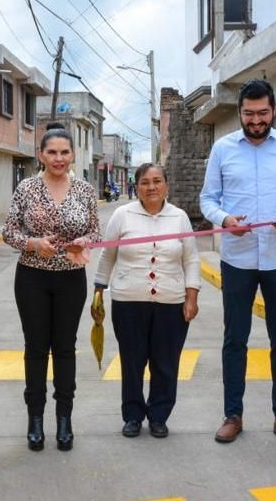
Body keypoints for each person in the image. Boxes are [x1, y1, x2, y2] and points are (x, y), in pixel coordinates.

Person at [199, 79, 276, 448]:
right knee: (235, 339)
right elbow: (207, 200)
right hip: (237, 258)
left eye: (262, 113)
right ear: (239, 113)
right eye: (248, 113)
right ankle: (232, 415)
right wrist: (225, 220)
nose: (256, 120)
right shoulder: (222, 148)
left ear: (274, 110)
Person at [3, 125, 99, 452]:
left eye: (65, 152)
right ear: (41, 155)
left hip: (71, 277)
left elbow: (95, 231)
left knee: (65, 347)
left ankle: (64, 418)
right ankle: (34, 418)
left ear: (72, 155)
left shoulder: (85, 189)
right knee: (35, 347)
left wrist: (85, 241)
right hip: (32, 277)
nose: (59, 158)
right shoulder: (26, 188)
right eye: (52, 152)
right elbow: (9, 233)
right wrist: (31, 243)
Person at [94, 163, 199, 439]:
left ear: (166, 184)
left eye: (157, 181)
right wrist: (98, 291)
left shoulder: (179, 217)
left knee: (166, 363)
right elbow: (107, 256)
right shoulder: (122, 215)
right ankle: (132, 416)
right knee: (132, 362)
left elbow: (191, 259)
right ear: (137, 186)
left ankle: (159, 416)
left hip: (171, 303)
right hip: (128, 303)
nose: (151, 187)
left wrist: (191, 297)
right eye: (144, 182)